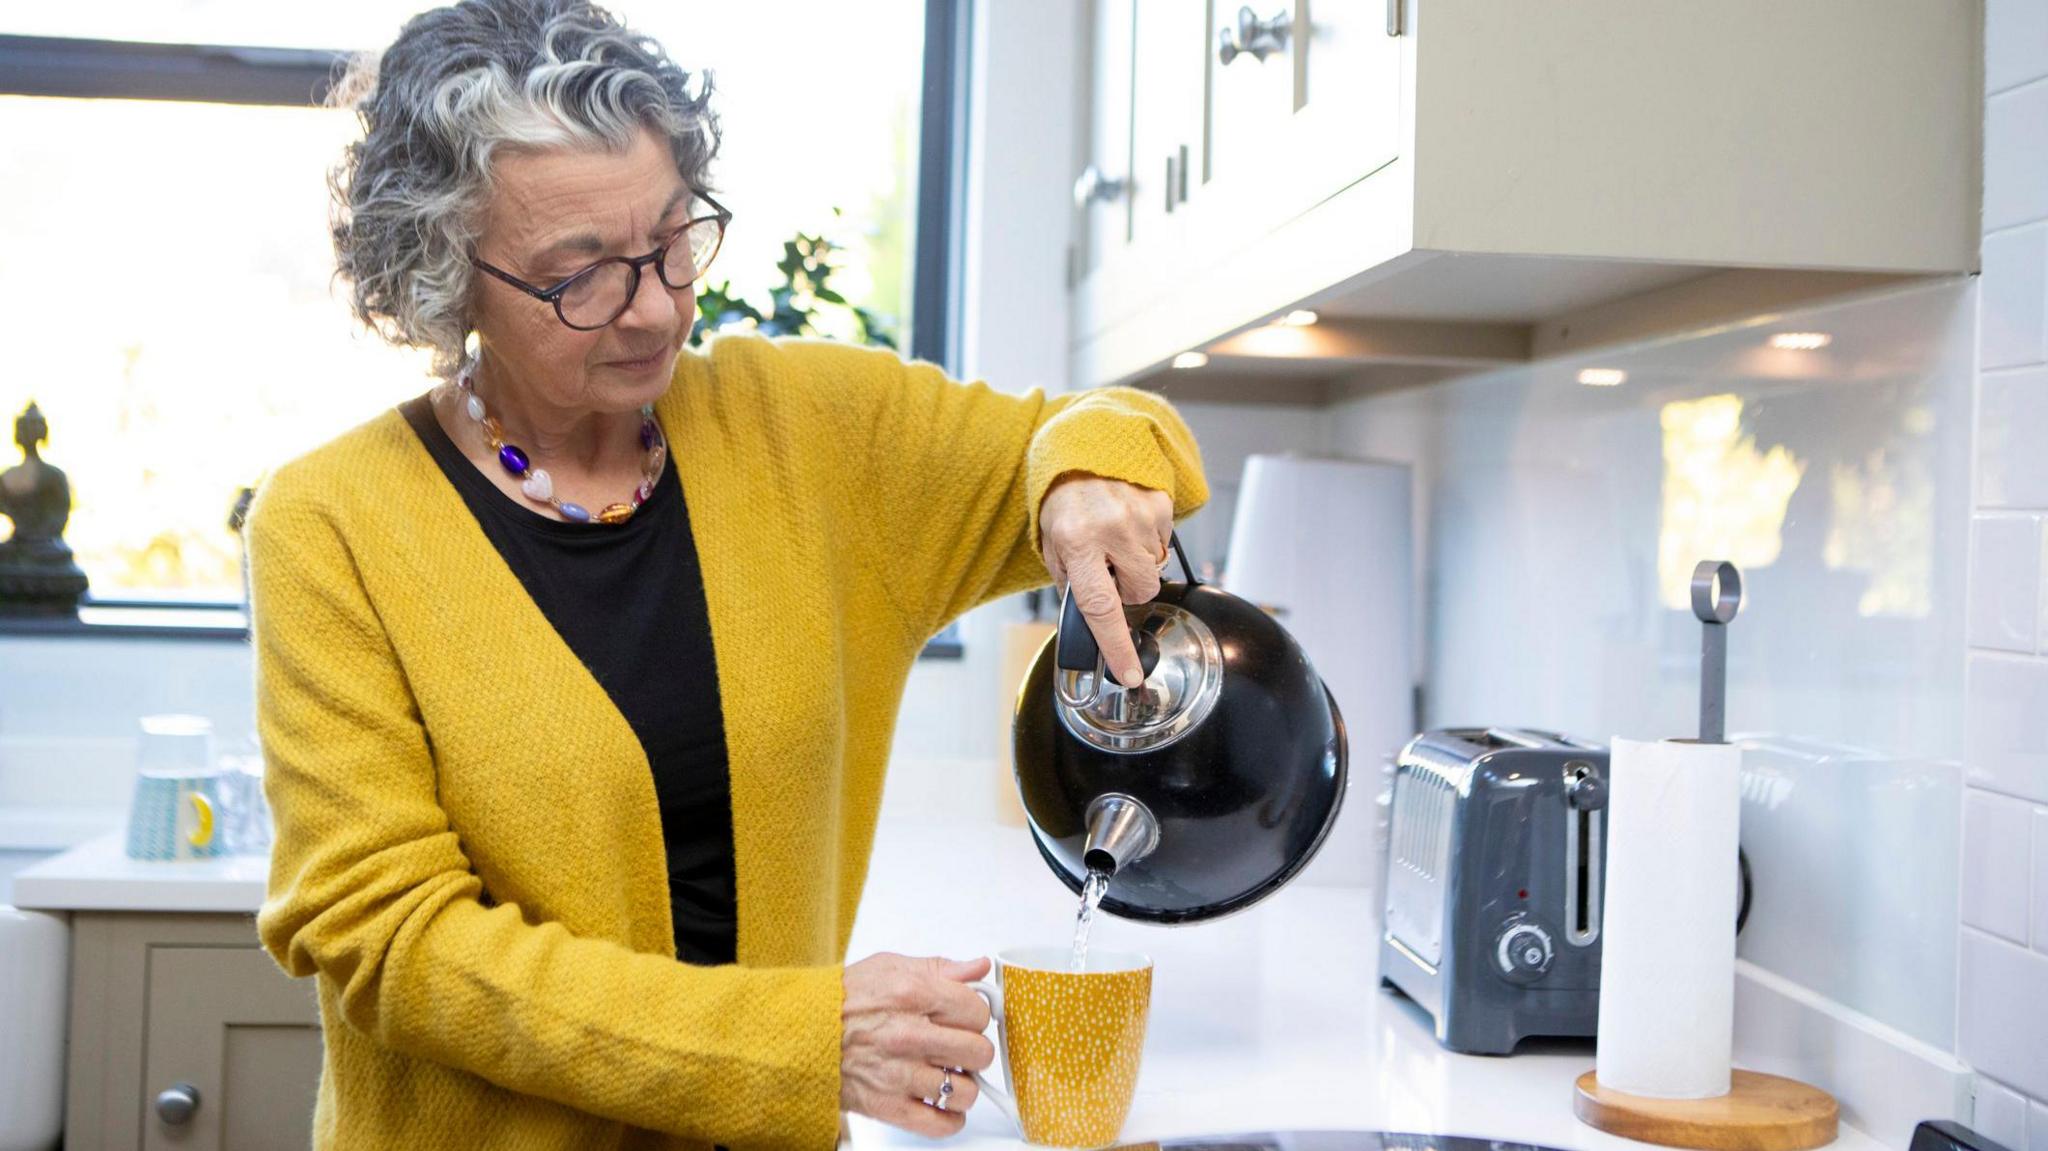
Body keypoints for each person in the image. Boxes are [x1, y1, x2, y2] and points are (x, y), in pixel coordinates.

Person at [242, 2, 1208, 1148]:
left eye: (669, 239)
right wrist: (796, 1038)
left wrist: (1079, 475)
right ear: (447, 276)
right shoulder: (331, 523)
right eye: (579, 275)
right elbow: (391, 939)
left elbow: (1110, 426)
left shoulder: (809, 433)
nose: (653, 304)